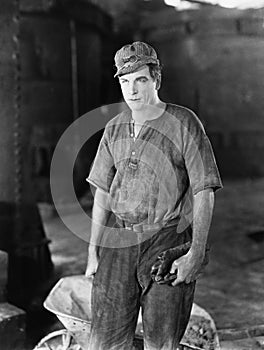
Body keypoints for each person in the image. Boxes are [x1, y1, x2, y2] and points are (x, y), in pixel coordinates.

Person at [85, 41, 223, 350]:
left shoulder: (184, 122)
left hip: (166, 241)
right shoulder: (114, 128)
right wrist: (93, 253)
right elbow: (102, 194)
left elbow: (205, 191)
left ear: (156, 80)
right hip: (118, 243)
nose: (132, 90)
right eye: (125, 81)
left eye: (140, 80)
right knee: (102, 344)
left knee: (161, 344)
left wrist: (195, 255)